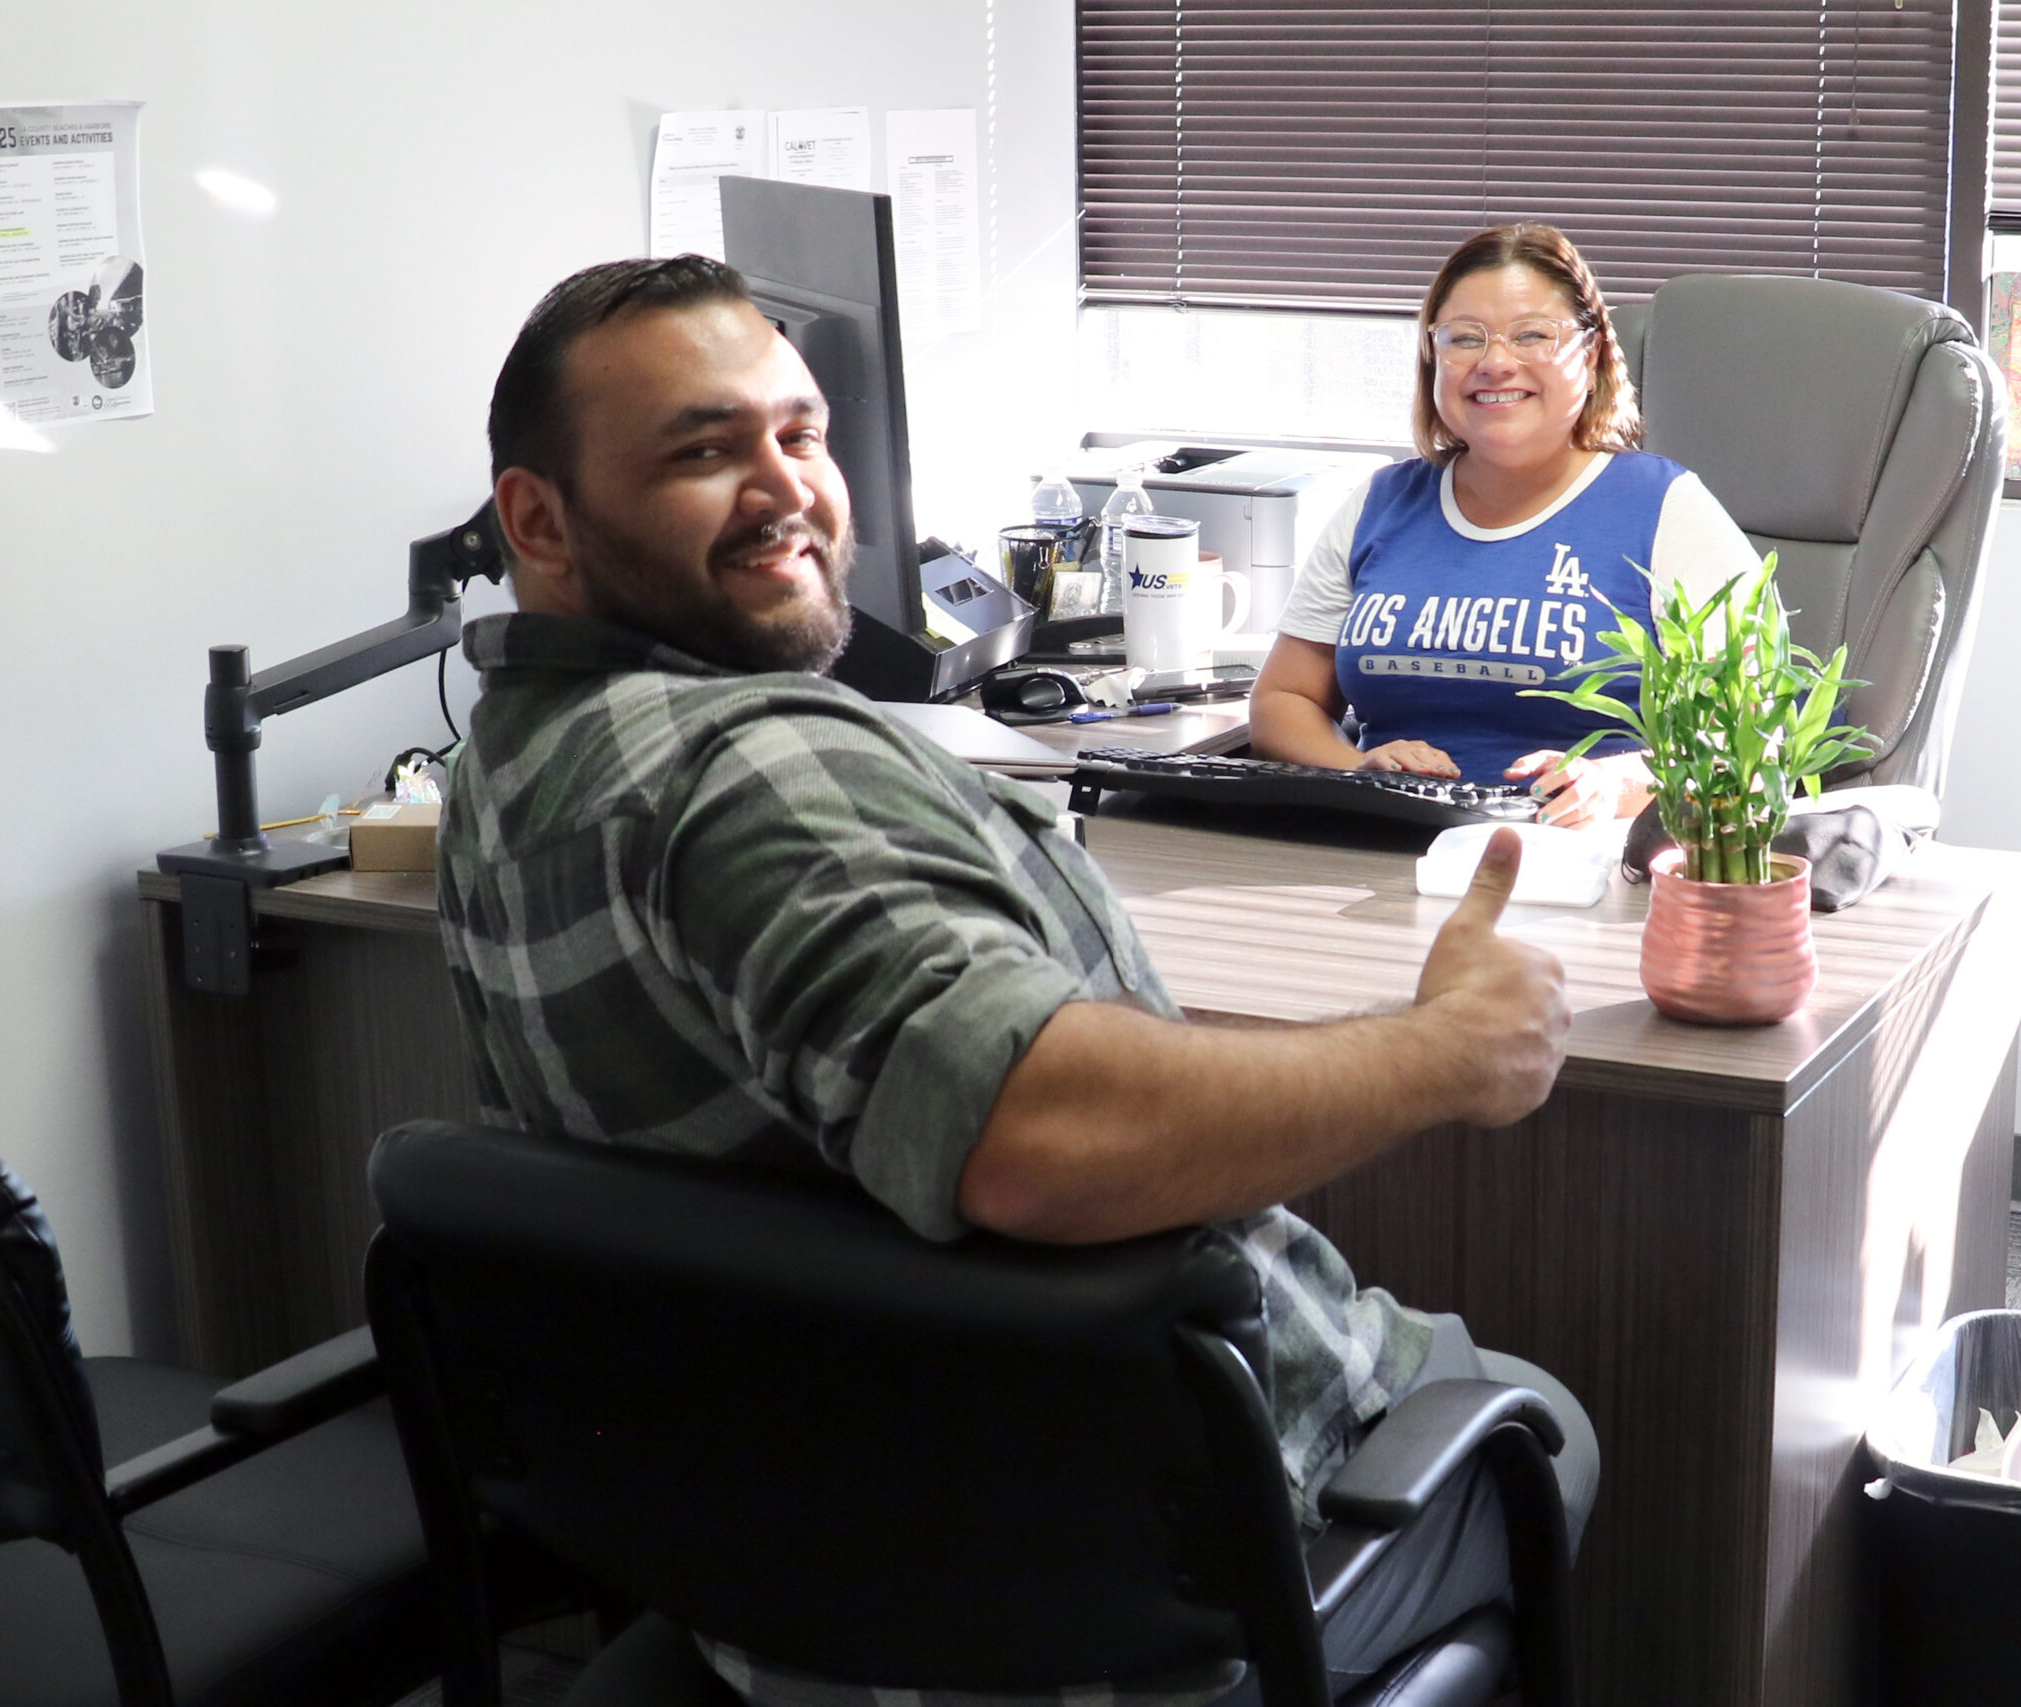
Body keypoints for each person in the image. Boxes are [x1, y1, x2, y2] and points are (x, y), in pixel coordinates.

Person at [438, 254, 1596, 1707]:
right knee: (1542, 1426)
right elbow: (1038, 1139)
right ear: (538, 516)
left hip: (770, 1562)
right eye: (703, 449)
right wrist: (1443, 1049)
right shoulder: (753, 776)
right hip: (1101, 1602)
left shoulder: (507, 765)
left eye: (800, 433)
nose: (787, 486)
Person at [1248, 223, 1759, 827]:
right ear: (1432, 357)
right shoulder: (1381, 502)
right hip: (1380, 847)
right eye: (1465, 338)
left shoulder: (1665, 508)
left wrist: (1618, 783)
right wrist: (1353, 768)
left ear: (1590, 354)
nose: (1495, 362)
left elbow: (1755, 737)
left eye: (1532, 336)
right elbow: (1282, 701)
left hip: (1582, 864)